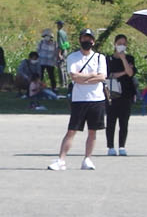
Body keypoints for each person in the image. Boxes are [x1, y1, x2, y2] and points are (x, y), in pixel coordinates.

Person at [50, 30, 108, 171]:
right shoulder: (73, 57)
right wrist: (92, 75)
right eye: (84, 38)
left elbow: (102, 77)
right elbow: (74, 77)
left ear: (93, 41)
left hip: (96, 99)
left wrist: (85, 78)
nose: (87, 41)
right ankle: (61, 159)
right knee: (72, 130)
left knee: (93, 131)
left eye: (89, 39)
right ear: (80, 40)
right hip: (79, 99)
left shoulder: (100, 57)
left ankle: (87, 159)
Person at [103, 32, 138, 155]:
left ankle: (122, 146)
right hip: (112, 93)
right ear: (114, 44)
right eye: (119, 44)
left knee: (124, 121)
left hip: (126, 94)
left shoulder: (130, 58)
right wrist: (123, 72)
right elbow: (109, 74)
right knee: (111, 121)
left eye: (124, 44)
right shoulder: (108, 59)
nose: (121, 46)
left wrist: (123, 59)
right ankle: (110, 147)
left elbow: (130, 73)